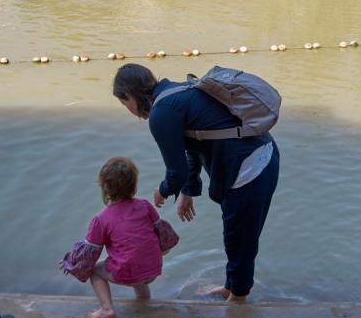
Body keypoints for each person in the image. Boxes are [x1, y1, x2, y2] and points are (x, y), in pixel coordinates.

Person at [112, 63, 280, 302]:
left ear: (129, 95)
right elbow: (193, 145)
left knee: (241, 238)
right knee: (235, 236)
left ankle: (238, 301)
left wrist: (164, 190)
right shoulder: (179, 91)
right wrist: (188, 191)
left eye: (124, 103)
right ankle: (231, 287)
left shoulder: (161, 112)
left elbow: (175, 172)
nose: (128, 109)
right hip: (259, 156)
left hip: (250, 167)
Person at [60, 156, 179, 318]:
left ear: (105, 187)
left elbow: (88, 256)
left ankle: (107, 309)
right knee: (137, 257)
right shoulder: (145, 205)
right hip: (153, 269)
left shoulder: (101, 219)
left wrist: (71, 261)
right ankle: (144, 303)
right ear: (133, 184)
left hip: (128, 273)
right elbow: (163, 234)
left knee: (94, 270)